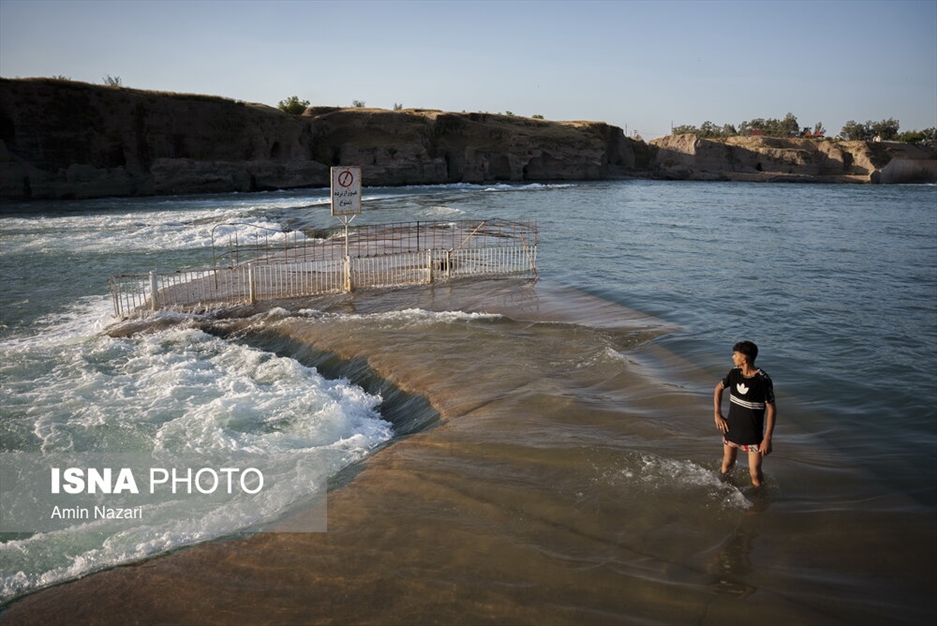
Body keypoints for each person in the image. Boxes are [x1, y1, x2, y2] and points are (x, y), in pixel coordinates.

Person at [713, 341, 776, 487]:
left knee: (754, 472)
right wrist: (717, 414)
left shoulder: (763, 380)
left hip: (752, 435)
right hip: (731, 429)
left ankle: (759, 501)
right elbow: (718, 388)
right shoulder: (734, 373)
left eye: (735, 355)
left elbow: (772, 410)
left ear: (744, 359)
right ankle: (724, 490)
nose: (732, 357)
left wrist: (767, 438)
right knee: (727, 464)